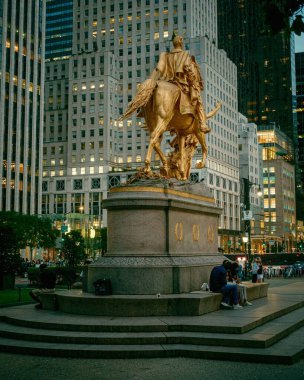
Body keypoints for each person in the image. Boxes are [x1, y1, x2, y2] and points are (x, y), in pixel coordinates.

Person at [150, 33, 211, 134]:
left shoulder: (166, 55)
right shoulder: (185, 55)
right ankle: (203, 124)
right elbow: (188, 69)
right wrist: (193, 84)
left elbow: (159, 69)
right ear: (181, 43)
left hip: (166, 81)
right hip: (180, 83)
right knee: (199, 101)